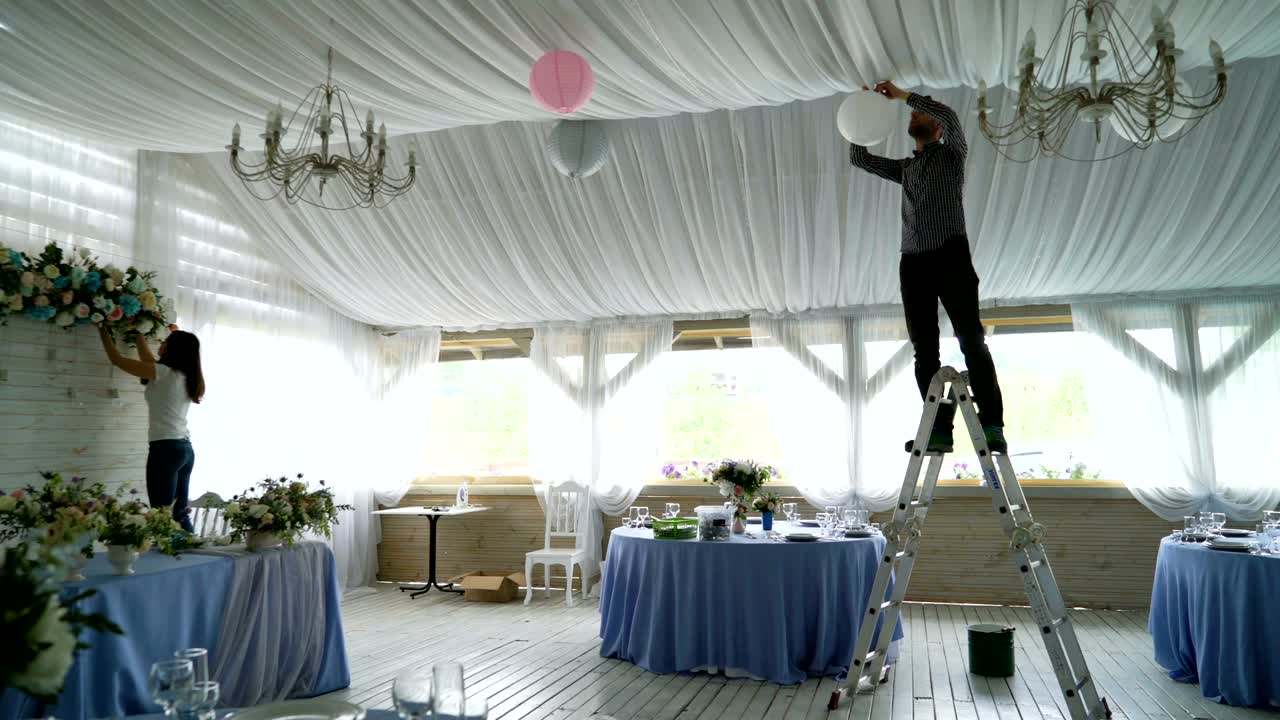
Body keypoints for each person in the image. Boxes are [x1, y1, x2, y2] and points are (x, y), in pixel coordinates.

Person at [849, 80, 1007, 454]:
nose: (917, 115)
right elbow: (860, 158)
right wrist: (860, 115)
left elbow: (950, 117)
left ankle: (993, 424)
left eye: (923, 113)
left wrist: (905, 97)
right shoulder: (906, 169)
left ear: (935, 127)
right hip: (914, 264)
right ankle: (939, 427)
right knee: (924, 350)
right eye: (914, 114)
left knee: (972, 341)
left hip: (951, 255)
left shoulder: (953, 155)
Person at [97, 323, 204, 531]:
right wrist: (138, 335)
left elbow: (117, 360)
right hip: (185, 450)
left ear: (173, 349)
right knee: (178, 514)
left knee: (161, 516)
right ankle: (188, 552)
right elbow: (148, 361)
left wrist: (102, 328)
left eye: (165, 342)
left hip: (165, 450)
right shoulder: (185, 375)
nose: (161, 343)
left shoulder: (163, 372)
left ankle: (170, 558)